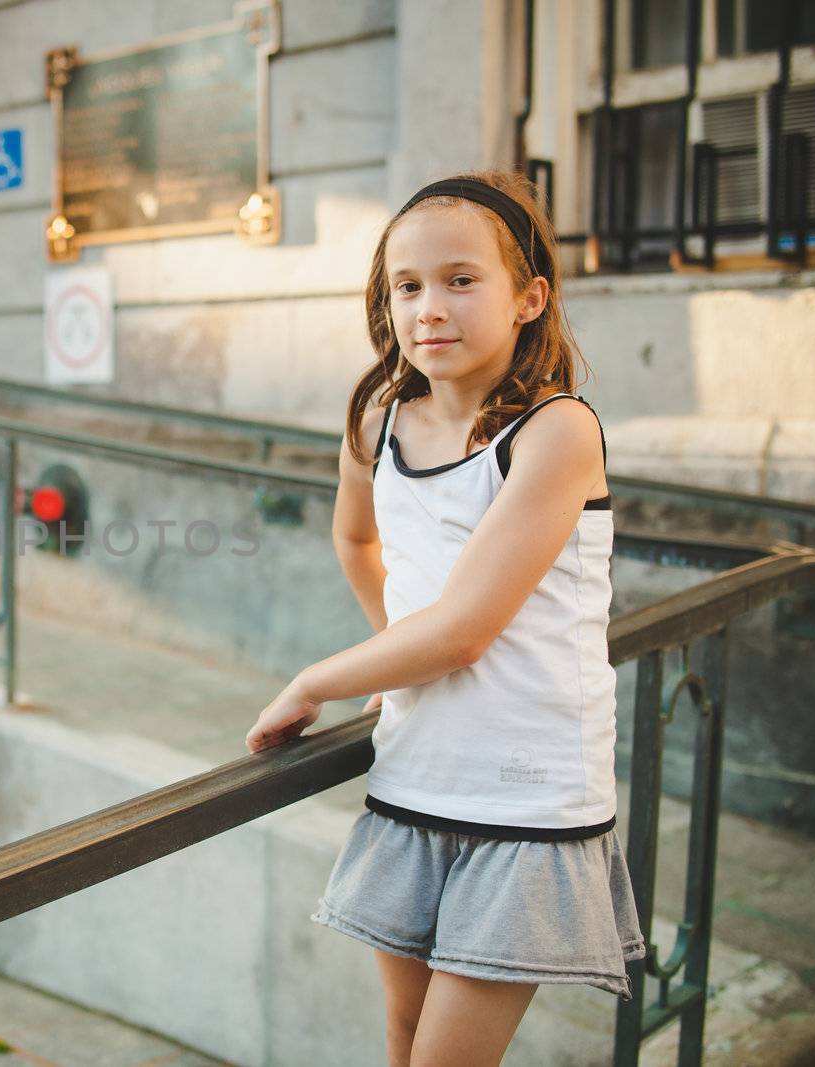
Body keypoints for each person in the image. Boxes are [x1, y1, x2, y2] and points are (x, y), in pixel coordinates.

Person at [245, 171, 642, 1067]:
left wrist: (321, 679)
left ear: (529, 297)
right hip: (415, 777)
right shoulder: (381, 417)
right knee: (401, 1037)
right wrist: (398, 662)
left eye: (462, 280)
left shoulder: (556, 431)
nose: (431, 306)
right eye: (408, 285)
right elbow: (356, 541)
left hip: (525, 794)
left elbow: (466, 629)